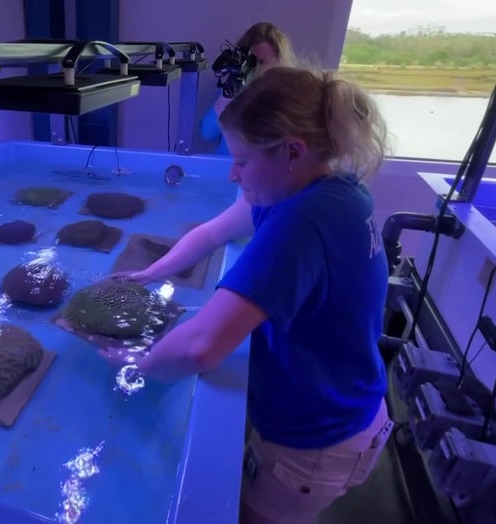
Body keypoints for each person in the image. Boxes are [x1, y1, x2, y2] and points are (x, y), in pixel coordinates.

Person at [103, 65, 394, 524]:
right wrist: (151, 271)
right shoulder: (329, 188)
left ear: (291, 152)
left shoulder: (301, 222)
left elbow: (201, 347)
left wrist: (138, 362)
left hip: (315, 442)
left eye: (241, 160)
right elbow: (213, 232)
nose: (232, 175)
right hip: (350, 407)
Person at [200, 22, 295, 155]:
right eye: (251, 62)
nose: (255, 69)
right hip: (226, 170)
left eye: (262, 62)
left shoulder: (290, 97)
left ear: (279, 61)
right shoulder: (235, 88)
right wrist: (228, 95)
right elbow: (207, 133)